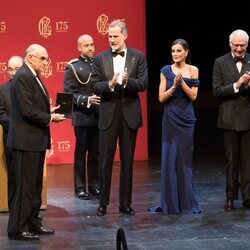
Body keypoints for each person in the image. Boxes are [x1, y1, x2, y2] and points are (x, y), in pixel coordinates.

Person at [7, 44, 65, 240]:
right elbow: (26, 110)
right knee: (25, 187)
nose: (46, 62)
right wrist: (50, 118)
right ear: (31, 58)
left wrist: (50, 112)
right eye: (43, 58)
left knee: (35, 186)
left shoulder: (32, 76)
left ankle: (33, 223)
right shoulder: (23, 76)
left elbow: (33, 106)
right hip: (25, 141)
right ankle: (18, 228)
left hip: (35, 140)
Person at [91, 19, 148, 217]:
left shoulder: (138, 57)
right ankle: (103, 204)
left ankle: (125, 204)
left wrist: (126, 81)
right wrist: (111, 83)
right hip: (107, 114)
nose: (112, 40)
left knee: (127, 161)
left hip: (129, 114)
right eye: (109, 36)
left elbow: (143, 83)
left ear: (125, 35)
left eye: (115, 36)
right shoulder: (99, 58)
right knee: (105, 161)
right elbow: (95, 86)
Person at [148, 38, 202, 214]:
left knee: (184, 160)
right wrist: (173, 88)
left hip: (186, 119)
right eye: (173, 51)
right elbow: (161, 98)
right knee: (169, 159)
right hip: (170, 118)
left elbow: (193, 97)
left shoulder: (193, 70)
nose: (175, 54)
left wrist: (182, 83)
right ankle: (170, 203)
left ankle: (186, 202)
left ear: (186, 52)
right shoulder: (165, 71)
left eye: (179, 51)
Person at [212, 29, 250, 211]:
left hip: (248, 117)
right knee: (231, 160)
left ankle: (248, 198)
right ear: (230, 45)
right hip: (228, 118)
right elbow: (217, 90)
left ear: (247, 45)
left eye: (242, 45)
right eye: (236, 45)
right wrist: (237, 85)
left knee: (248, 160)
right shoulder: (220, 62)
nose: (239, 48)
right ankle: (230, 197)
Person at [63, 34, 100, 200]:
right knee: (80, 154)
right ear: (79, 48)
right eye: (86, 45)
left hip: (98, 116)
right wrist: (86, 100)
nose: (91, 48)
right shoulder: (73, 67)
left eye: (92, 44)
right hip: (83, 116)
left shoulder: (99, 64)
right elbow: (69, 94)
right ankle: (79, 188)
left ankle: (94, 186)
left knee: (95, 154)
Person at [0, 55, 23, 210]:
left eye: (17, 69)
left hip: (31, 142)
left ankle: (29, 215)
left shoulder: (31, 88)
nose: (13, 72)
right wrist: (18, 125)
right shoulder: (2, 90)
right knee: (14, 181)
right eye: (10, 69)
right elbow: (1, 114)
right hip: (12, 141)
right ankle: (14, 215)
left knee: (29, 181)